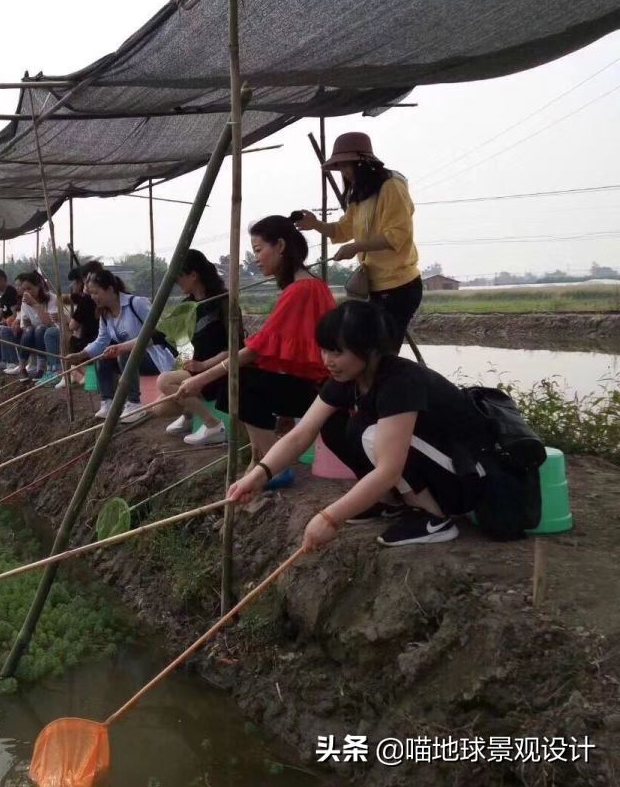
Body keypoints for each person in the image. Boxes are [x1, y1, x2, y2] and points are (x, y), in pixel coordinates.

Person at [228, 299, 490, 548]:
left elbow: (389, 468)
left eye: (337, 352)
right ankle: (390, 502)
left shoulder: (400, 381)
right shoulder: (349, 378)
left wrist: (329, 518)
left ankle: (434, 517)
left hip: (466, 475)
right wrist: (258, 476)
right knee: (335, 425)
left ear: (371, 350)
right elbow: (302, 433)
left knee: (372, 435)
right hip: (435, 462)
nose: (327, 360)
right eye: (325, 349)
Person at [178, 216, 335, 483]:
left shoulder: (299, 290)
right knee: (240, 377)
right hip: (318, 386)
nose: (257, 259)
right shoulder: (309, 286)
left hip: (322, 391)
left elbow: (256, 348)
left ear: (281, 246)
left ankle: (271, 464)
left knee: (238, 380)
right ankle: (259, 458)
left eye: (259, 250)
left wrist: (204, 376)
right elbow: (296, 355)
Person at [296, 132, 422, 350]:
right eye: (341, 168)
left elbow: (397, 236)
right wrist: (315, 224)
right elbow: (342, 230)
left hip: (399, 286)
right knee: (369, 350)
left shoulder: (392, 186)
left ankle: (392, 383)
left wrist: (356, 247)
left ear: (363, 163)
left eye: (347, 166)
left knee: (382, 353)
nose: (345, 173)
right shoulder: (361, 193)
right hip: (373, 286)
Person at [65, 270, 176, 423]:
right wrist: (80, 355)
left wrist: (124, 347)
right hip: (130, 362)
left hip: (154, 359)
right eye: (91, 293)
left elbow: (159, 333)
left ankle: (134, 403)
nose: (93, 297)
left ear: (110, 289)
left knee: (124, 352)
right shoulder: (105, 314)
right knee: (105, 354)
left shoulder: (136, 303)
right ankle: (108, 402)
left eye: (96, 292)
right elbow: (101, 342)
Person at [151, 250, 237, 446]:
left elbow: (235, 348)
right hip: (195, 371)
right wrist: (121, 348)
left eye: (179, 277)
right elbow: (157, 335)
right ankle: (190, 415)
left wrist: (204, 364)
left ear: (193, 275)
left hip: (220, 371)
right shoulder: (187, 305)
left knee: (164, 381)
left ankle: (213, 425)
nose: (177, 282)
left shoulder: (223, 302)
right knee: (159, 409)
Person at [44, 265, 99, 389]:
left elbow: (73, 325)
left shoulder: (86, 300)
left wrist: (64, 319)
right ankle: (75, 374)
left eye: (74, 282)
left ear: (82, 283)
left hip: (91, 340)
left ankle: (72, 374)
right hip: (94, 338)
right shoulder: (86, 299)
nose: (72, 286)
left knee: (66, 337)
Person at [6, 271, 59, 380]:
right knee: (29, 330)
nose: (27, 292)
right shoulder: (25, 302)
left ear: (39, 286)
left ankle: (41, 368)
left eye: (29, 288)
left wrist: (35, 304)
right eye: (24, 289)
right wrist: (26, 326)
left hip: (51, 334)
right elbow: (25, 324)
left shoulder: (51, 298)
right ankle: (22, 367)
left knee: (40, 328)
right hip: (34, 336)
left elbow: (49, 323)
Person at [0, 269, 21, 371]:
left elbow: (15, 314)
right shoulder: (3, 296)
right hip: (8, 322)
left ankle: (13, 361)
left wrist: (6, 320)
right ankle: (0, 359)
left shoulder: (10, 293)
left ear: (2, 280)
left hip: (16, 323)